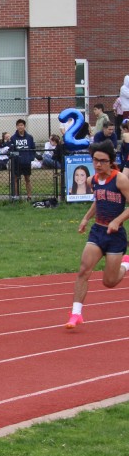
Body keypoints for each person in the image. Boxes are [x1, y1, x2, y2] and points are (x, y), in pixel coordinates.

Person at [67, 140, 129, 329]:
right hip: (98, 232)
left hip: (115, 236)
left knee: (109, 282)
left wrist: (117, 221)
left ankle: (125, 265)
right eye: (95, 160)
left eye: (102, 161)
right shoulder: (92, 180)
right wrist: (86, 218)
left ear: (111, 161)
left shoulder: (120, 180)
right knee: (83, 270)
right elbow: (98, 201)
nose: (98, 164)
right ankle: (75, 314)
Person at [8, 120, 36, 201]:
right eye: (18, 125)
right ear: (16, 126)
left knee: (27, 179)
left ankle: (29, 196)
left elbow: (33, 149)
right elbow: (11, 151)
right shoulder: (13, 138)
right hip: (17, 162)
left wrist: (30, 158)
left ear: (24, 126)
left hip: (26, 162)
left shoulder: (29, 137)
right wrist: (17, 156)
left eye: (22, 125)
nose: (20, 127)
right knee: (15, 179)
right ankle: (16, 197)